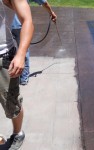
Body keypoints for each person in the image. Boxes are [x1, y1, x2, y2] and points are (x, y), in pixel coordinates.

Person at [0, 0, 34, 149]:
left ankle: (18, 133)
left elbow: (27, 20)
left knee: (11, 103)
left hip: (3, 57)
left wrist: (21, 54)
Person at [11, 0, 57, 85]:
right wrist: (51, 13)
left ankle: (10, 76)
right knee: (24, 51)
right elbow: (44, 3)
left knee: (9, 50)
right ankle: (23, 78)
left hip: (6, 25)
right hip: (20, 25)